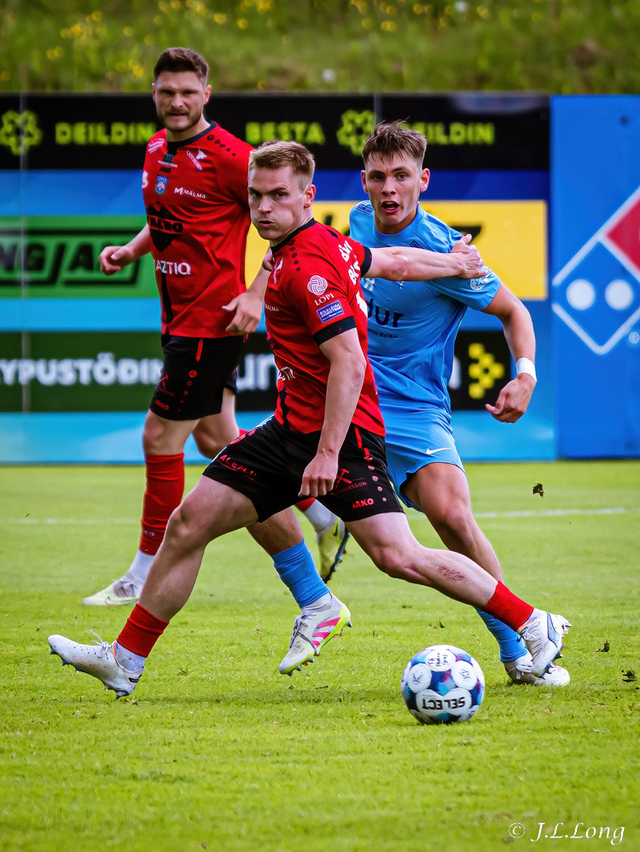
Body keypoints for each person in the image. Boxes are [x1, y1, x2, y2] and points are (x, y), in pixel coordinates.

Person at [48, 140, 570, 698]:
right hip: (288, 430)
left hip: (343, 438)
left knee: (402, 554)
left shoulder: (308, 269)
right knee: (189, 523)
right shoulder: (331, 238)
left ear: (307, 198)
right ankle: (126, 659)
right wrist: (451, 263)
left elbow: (349, 362)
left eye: (278, 196)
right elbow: (392, 263)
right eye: (255, 196)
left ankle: (528, 624)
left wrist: (326, 453)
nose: (263, 207)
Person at [82, 46, 348, 607]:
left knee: (159, 438)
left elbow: (292, 226)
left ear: (206, 94)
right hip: (178, 318)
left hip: (212, 322)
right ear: (154, 94)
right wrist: (131, 251)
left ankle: (142, 571)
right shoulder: (156, 147)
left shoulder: (233, 157)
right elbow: (167, 220)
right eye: (167, 92)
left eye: (188, 92)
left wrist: (256, 293)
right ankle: (324, 524)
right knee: (219, 442)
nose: (177, 102)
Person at [347, 120, 568, 686]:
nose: (388, 188)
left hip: (414, 407)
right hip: (349, 397)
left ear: (423, 180)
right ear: (364, 181)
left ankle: (520, 648)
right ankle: (318, 555)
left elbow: (515, 312)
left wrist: (525, 375)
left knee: (452, 519)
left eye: (401, 176)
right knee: (258, 475)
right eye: (377, 176)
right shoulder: (356, 222)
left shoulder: (450, 253)